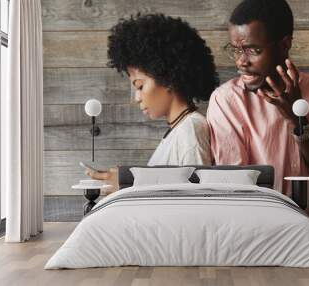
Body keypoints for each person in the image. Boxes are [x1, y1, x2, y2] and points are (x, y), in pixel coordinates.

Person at [207, 0, 309, 220]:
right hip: (260, 236)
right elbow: (237, 196)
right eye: (236, 50)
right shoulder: (226, 102)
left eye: (253, 50)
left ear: (284, 45)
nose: (241, 62)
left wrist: (296, 119)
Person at [86, 13, 219, 193]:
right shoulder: (178, 130)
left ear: (169, 78)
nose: (136, 97)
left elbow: (195, 199)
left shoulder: (191, 130)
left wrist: (129, 185)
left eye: (140, 86)